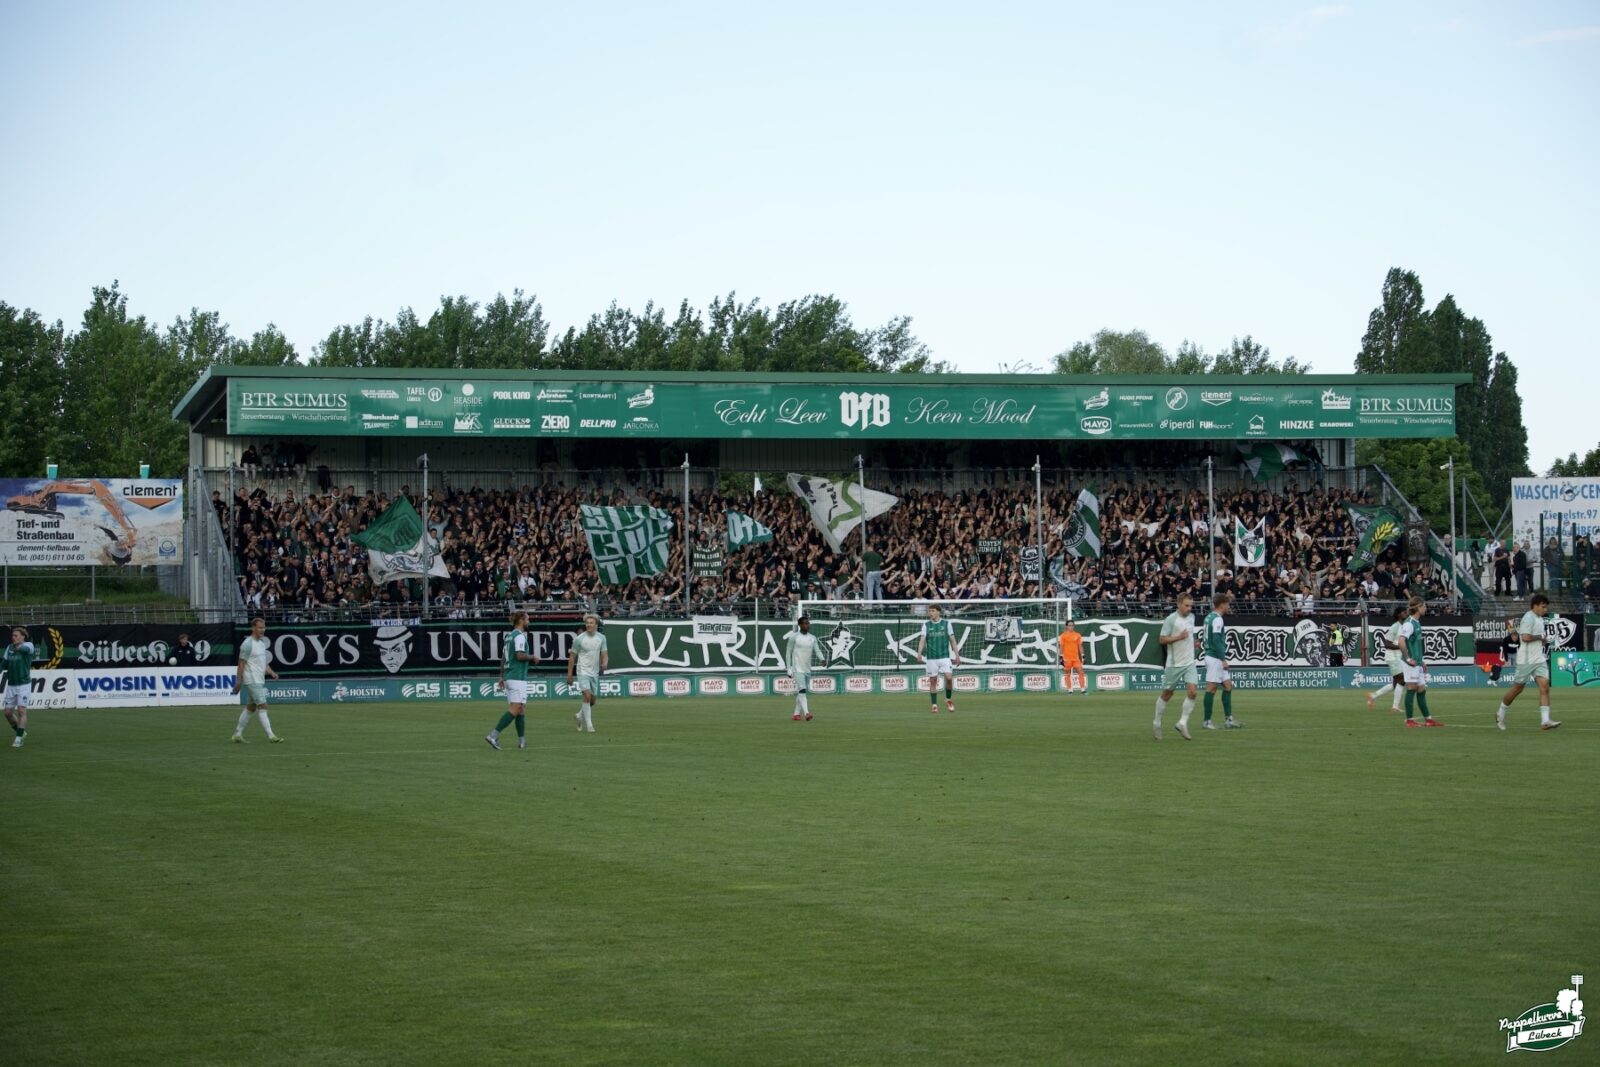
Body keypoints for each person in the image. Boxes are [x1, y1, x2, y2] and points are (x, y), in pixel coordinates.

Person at [1496, 594, 1561, 732]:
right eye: (1543, 607)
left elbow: (1534, 637)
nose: (1545, 609)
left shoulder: (1539, 619)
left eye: (1546, 607)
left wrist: (1541, 640)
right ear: (1535, 605)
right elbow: (1525, 637)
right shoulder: (1528, 617)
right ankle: (1500, 712)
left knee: (1545, 687)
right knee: (1517, 689)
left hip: (1539, 659)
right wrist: (1540, 637)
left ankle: (1545, 721)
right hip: (1526, 660)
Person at [486, 611, 535, 750]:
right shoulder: (519, 636)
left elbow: (503, 657)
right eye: (527, 619)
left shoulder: (509, 636)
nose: (529, 621)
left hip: (510, 676)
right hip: (517, 676)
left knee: (521, 709)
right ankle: (493, 735)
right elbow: (519, 656)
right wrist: (532, 657)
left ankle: (522, 741)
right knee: (516, 708)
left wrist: (501, 675)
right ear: (521, 620)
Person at [1153, 593, 1197, 741]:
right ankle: (1157, 722)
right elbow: (1162, 639)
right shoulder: (1171, 619)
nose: (1189, 608)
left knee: (1192, 692)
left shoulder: (1192, 617)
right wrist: (1179, 637)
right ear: (1178, 604)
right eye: (1186, 605)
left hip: (1190, 662)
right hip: (1174, 664)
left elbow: (1189, 635)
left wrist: (1193, 642)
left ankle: (1182, 723)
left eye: (1191, 606)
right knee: (1167, 694)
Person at [230, 617, 282, 743]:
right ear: (253, 628)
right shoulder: (247, 644)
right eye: (260, 627)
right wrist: (238, 682)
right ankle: (271, 736)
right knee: (263, 706)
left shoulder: (261, 644)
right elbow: (241, 664)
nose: (262, 630)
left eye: (263, 627)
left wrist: (271, 672)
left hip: (259, 679)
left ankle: (237, 734)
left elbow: (263, 663)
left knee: (251, 708)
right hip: (251, 679)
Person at [1399, 597, 1442, 728]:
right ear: (1418, 607)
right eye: (1424, 606)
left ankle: (1428, 720)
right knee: (1411, 688)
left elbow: (1414, 644)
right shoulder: (1409, 623)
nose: (1426, 608)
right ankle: (1409, 720)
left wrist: (1421, 661)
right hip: (1410, 663)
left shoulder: (1417, 622)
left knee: (1421, 689)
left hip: (1417, 663)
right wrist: (1408, 659)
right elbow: (1401, 642)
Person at [1201, 592, 1241, 729]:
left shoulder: (1208, 617)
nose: (1228, 606)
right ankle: (1207, 721)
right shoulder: (1217, 619)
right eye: (1227, 604)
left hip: (1212, 656)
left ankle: (1229, 720)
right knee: (1211, 688)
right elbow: (1217, 640)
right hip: (1215, 658)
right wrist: (1223, 659)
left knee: (1228, 686)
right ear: (1222, 605)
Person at [567, 613, 607, 733]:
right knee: (587, 696)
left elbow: (604, 653)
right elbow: (572, 657)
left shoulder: (602, 638)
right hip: (582, 670)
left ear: (596, 625)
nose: (588, 625)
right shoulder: (579, 639)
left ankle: (579, 715)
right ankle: (589, 725)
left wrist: (604, 663)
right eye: (587, 623)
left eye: (591, 623)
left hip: (594, 672)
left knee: (592, 701)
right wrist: (569, 674)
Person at [916, 604, 959, 713]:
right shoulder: (926, 625)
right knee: (933, 681)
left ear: (939, 612)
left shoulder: (946, 624)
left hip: (944, 657)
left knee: (949, 678)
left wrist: (957, 655)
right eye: (929, 611)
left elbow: (952, 640)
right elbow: (922, 640)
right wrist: (919, 653)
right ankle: (934, 705)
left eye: (933, 611)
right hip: (931, 658)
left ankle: (948, 699)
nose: (931, 613)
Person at [1366, 606, 1407, 713]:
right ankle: (1395, 707)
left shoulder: (1404, 626)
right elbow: (1387, 644)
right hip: (1392, 656)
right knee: (1402, 681)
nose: (1406, 613)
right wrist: (1401, 647)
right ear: (1399, 614)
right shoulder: (1395, 626)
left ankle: (1372, 696)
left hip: (1397, 656)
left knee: (1395, 684)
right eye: (1403, 612)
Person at [3, 627, 36, 748]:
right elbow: (4, 663)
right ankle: (21, 732)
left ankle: (19, 738)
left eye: (16, 635)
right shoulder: (9, 648)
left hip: (24, 685)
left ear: (23, 637)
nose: (13, 637)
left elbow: (26, 650)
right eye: (13, 635)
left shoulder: (29, 645)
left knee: (21, 711)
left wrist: (19, 647)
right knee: (7, 713)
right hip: (11, 684)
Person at [785, 615, 818, 721]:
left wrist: (822, 659)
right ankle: (807, 713)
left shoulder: (812, 637)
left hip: (807, 668)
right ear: (800, 625)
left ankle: (796, 714)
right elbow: (788, 653)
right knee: (802, 689)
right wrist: (789, 668)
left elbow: (817, 650)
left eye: (808, 623)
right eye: (805, 623)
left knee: (802, 691)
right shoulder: (794, 637)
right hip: (797, 668)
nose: (807, 625)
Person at [1057, 619, 1086, 696]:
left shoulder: (1077, 635)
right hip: (1067, 658)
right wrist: (1060, 657)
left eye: (1072, 625)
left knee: (1081, 672)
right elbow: (1061, 647)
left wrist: (1083, 656)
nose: (1071, 627)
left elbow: (1080, 646)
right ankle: (1070, 690)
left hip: (1076, 658)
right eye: (1069, 625)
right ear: (1066, 626)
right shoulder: (1063, 636)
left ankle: (1083, 690)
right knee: (1067, 674)